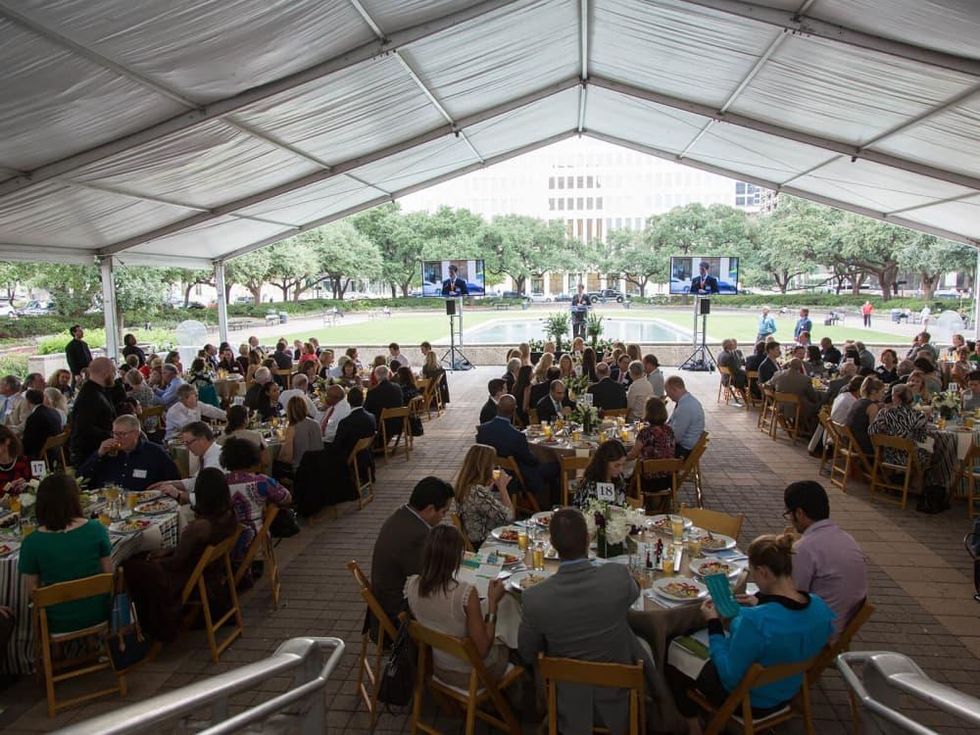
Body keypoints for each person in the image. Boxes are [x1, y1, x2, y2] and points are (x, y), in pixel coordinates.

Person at [668, 534, 834, 730]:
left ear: (763, 572)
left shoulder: (755, 621)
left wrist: (713, 623)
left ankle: (693, 726)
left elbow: (729, 676)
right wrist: (762, 603)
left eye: (753, 572)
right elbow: (791, 628)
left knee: (673, 649)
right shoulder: (820, 607)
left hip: (749, 700)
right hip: (788, 690)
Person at [519, 509, 655, 734]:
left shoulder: (534, 598)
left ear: (552, 543)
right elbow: (635, 591)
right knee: (640, 643)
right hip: (619, 703)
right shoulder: (617, 576)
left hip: (566, 706)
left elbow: (526, 652)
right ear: (588, 539)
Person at [123, 467, 238, 641]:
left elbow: (177, 563)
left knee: (131, 567)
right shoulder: (228, 515)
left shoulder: (199, 528)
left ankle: (147, 627)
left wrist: (154, 561)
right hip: (206, 570)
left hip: (184, 575)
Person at [406, 524, 509, 688]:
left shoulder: (412, 585)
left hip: (438, 667)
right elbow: (483, 649)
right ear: (456, 557)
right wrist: (492, 603)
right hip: (472, 674)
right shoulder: (464, 593)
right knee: (510, 644)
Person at [18, 474, 113, 635]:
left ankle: (56, 652)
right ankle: (90, 643)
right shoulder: (96, 529)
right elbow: (109, 574)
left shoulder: (31, 543)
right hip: (98, 614)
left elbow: (32, 593)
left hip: (56, 622)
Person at [371, 476, 455, 630]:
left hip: (383, 598)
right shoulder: (418, 534)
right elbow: (432, 575)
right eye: (444, 512)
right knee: (454, 607)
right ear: (430, 509)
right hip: (396, 610)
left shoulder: (403, 513)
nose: (444, 517)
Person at [783, 481, 867, 633]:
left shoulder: (804, 548)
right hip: (842, 622)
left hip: (818, 632)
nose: (790, 519)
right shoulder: (846, 538)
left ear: (799, 513)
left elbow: (792, 598)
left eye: (789, 513)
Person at [476, 395, 558, 508]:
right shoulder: (517, 436)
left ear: (497, 407)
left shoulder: (482, 430)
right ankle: (552, 505)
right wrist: (540, 458)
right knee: (555, 466)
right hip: (514, 477)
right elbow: (530, 461)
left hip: (489, 473)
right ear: (514, 411)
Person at [221, 437, 291, 561]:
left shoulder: (221, 483)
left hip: (226, 544)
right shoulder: (261, 482)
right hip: (256, 541)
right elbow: (286, 498)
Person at [78, 415, 179, 491]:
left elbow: (174, 479)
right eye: (114, 434)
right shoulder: (107, 452)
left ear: (136, 434)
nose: (117, 438)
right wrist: (98, 454)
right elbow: (80, 479)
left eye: (121, 434)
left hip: (144, 504)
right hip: (107, 503)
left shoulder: (154, 452)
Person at [451, 444, 514, 548]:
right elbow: (509, 517)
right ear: (485, 466)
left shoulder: (464, 485)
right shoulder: (477, 491)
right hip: (485, 543)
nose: (494, 466)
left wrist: (490, 486)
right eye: (492, 463)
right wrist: (503, 488)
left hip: (475, 539)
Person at [152, 422, 223, 505]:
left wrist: (178, 493)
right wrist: (171, 483)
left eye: (188, 443)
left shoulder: (214, 462)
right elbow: (198, 481)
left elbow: (205, 499)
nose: (187, 447)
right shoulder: (210, 453)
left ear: (203, 439)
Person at [68, 357, 116, 466]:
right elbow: (84, 427)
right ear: (106, 373)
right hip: (89, 454)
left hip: (99, 449)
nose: (114, 375)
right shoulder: (89, 396)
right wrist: (112, 435)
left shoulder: (99, 391)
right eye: (113, 371)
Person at [627, 396, 676, 493]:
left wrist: (621, 457)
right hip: (668, 479)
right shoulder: (669, 430)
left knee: (624, 469)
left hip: (648, 481)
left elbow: (633, 455)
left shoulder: (646, 433)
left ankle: (633, 500)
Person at [571, 439, 629, 508]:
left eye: (623, 465)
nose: (621, 470)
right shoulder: (590, 484)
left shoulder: (619, 480)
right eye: (616, 465)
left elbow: (622, 506)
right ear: (604, 463)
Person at [768, 358, 820, 430]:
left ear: (789, 365)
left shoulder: (778, 374)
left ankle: (799, 426)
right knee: (818, 406)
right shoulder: (805, 379)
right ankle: (810, 430)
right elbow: (813, 397)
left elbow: (769, 385)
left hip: (780, 406)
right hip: (797, 409)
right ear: (800, 367)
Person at [277, 396, 323, 475]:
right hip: (318, 467)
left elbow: (288, 456)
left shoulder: (292, 428)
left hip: (300, 470)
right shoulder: (316, 424)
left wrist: (277, 458)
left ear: (289, 411)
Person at [843, 376, 885, 457]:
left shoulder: (857, 402)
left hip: (850, 443)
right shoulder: (872, 407)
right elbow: (873, 431)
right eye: (882, 392)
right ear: (873, 392)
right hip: (862, 446)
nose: (883, 395)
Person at [666, 376, 704, 458]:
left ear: (674, 389)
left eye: (668, 393)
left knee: (649, 450)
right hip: (686, 446)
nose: (668, 396)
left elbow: (676, 437)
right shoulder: (688, 401)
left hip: (683, 450)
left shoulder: (685, 407)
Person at [21, 389, 62, 458]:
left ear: (28, 401)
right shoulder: (54, 412)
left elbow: (27, 443)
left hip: (39, 454)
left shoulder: (34, 417)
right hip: (54, 452)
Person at [0, 426, 31, 497]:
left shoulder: (24, 463)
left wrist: (26, 485)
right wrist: (8, 488)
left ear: (7, 441)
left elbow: (38, 487)